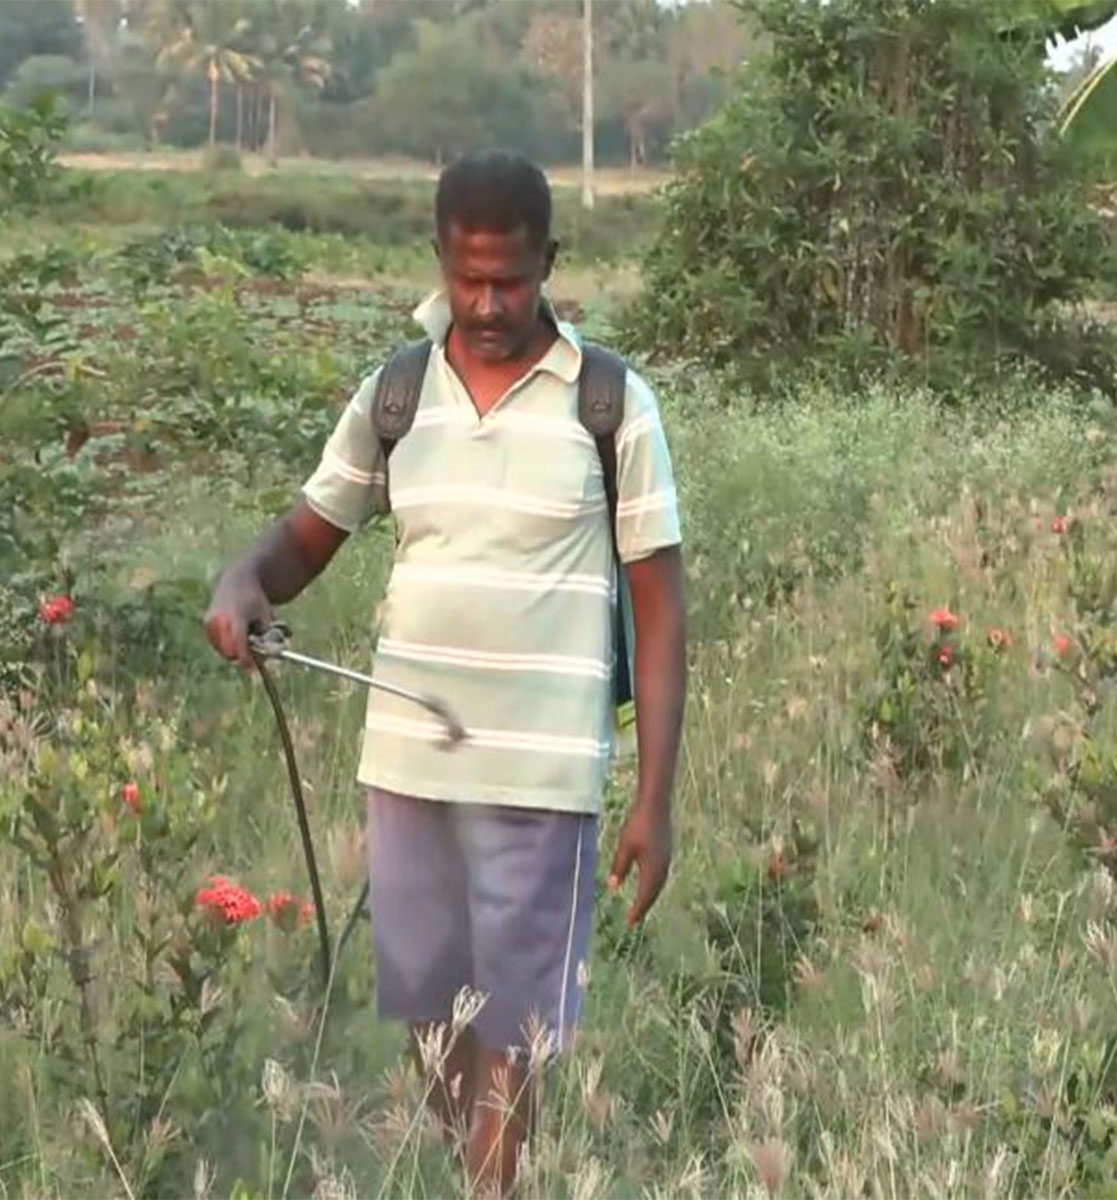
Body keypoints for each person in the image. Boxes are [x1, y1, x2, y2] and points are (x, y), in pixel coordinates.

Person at [202, 150, 686, 1197]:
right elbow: (304, 538)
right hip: (409, 762)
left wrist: (655, 796)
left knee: (513, 1017)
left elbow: (658, 604)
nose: (487, 302)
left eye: (510, 279)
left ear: (549, 263)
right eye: (468, 278)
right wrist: (244, 583)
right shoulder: (395, 394)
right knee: (430, 1011)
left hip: (542, 772)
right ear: (439, 259)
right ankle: (479, 1172)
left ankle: (491, 1188)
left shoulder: (609, 403)